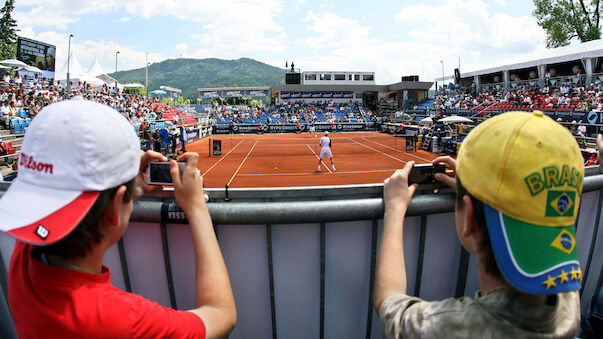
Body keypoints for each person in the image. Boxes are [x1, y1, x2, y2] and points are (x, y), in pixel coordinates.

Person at [0, 100, 236, 338]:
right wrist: (196, 208)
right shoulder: (121, 320)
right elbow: (220, 315)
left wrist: (124, 173)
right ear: (115, 208)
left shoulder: (24, 261)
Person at [375, 111, 583, 338]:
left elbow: (389, 306)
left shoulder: (450, 328)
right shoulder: (568, 299)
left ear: (470, 220)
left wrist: (394, 210)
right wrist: (474, 190)